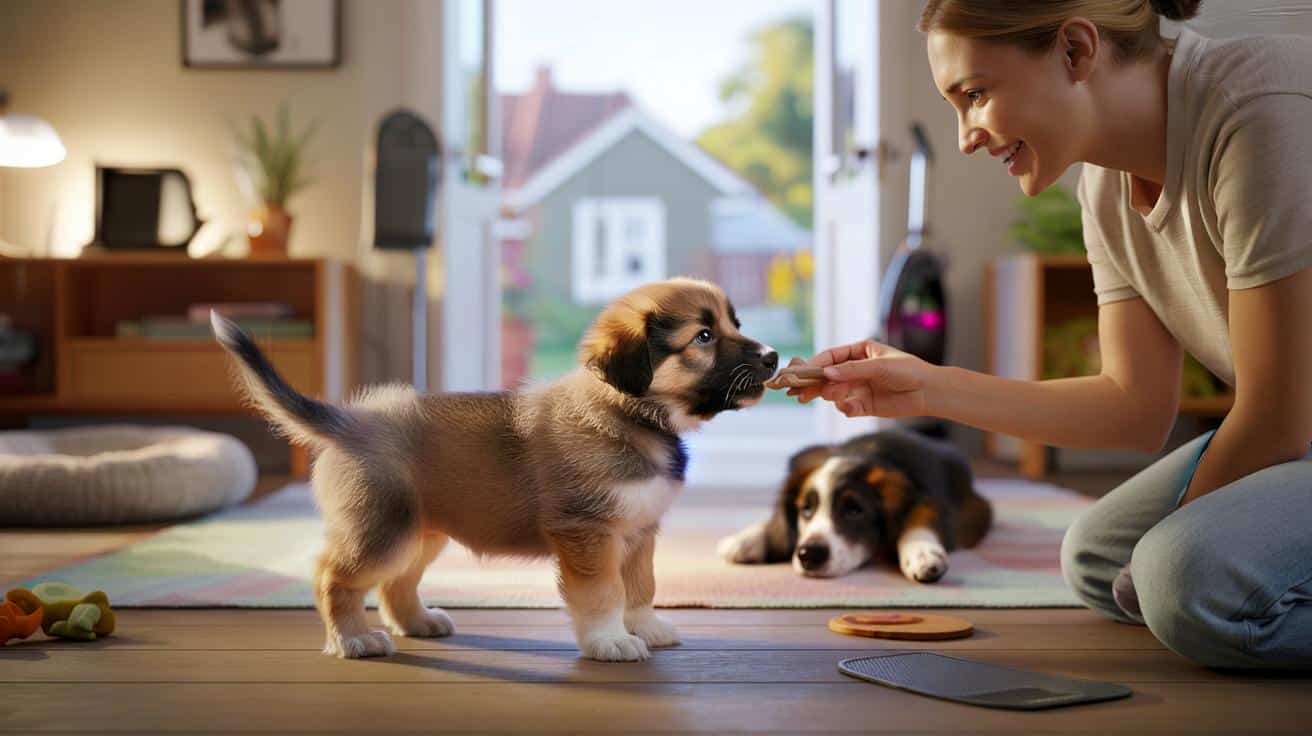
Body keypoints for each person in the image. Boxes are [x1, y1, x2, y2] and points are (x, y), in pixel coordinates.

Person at [789, 0, 1312, 669]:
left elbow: (1273, 418)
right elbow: (1134, 406)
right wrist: (925, 388)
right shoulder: (1104, 186)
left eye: (975, 95)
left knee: (1182, 583)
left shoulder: (1259, 112)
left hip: (1291, 426)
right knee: (1099, 559)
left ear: (1075, 51)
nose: (965, 136)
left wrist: (1172, 545)